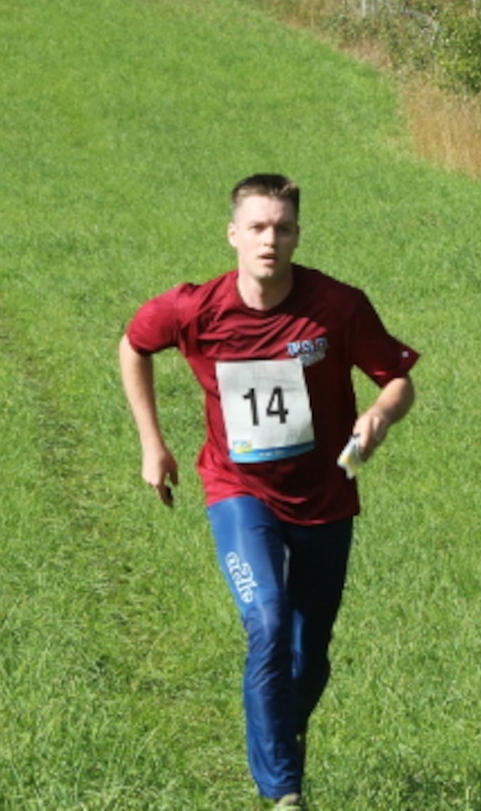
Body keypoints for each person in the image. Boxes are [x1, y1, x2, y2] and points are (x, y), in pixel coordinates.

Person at [118, 173, 418, 809]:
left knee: (309, 655)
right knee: (269, 623)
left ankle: (283, 727)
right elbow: (133, 345)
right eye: (257, 227)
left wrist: (379, 418)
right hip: (238, 488)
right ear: (233, 234)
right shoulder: (193, 309)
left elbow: (397, 380)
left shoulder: (338, 306)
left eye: (282, 228)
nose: (270, 240)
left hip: (325, 497)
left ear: (298, 235)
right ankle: (283, 792)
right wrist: (153, 443)